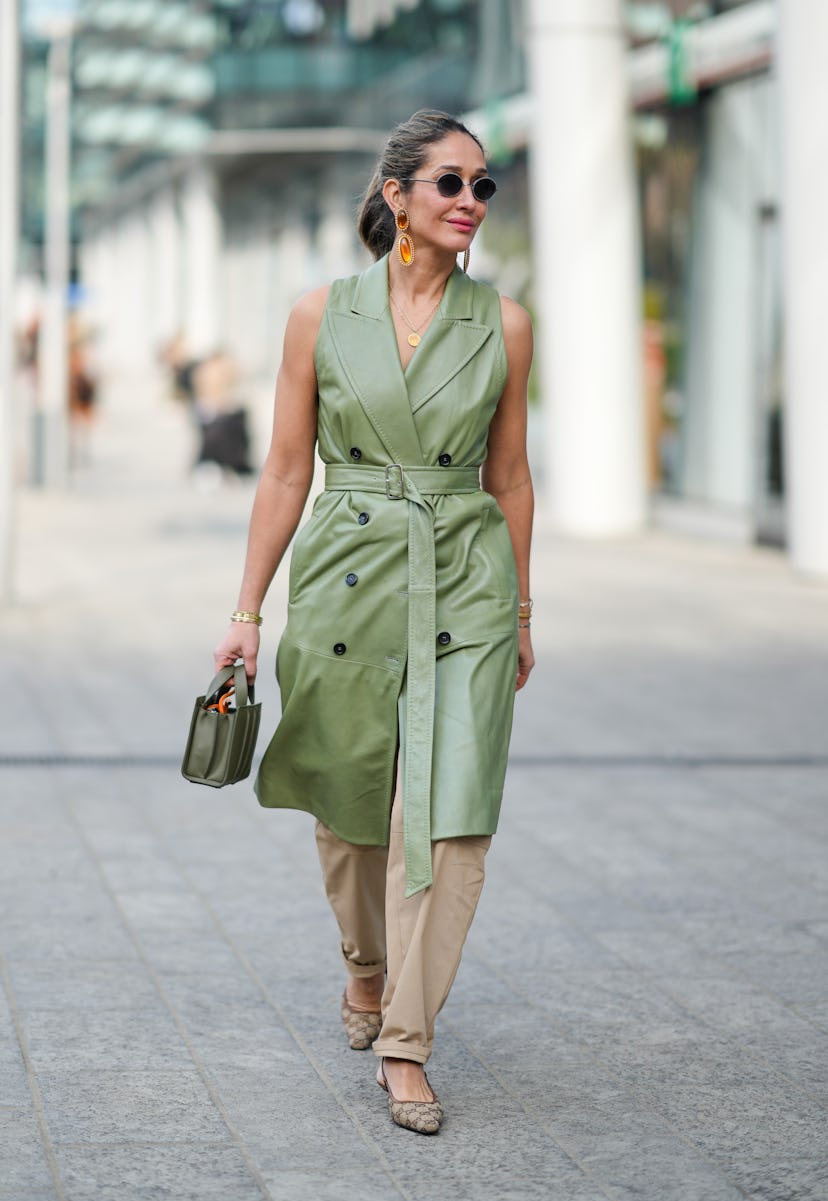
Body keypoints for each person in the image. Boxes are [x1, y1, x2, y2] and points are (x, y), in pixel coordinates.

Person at [213, 109, 534, 1134]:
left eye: (484, 187)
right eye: (451, 183)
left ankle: (406, 1040)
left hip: (466, 575)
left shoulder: (506, 322)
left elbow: (512, 474)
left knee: (445, 812)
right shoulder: (321, 314)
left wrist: (521, 605)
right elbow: (284, 466)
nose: (469, 204)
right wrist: (247, 611)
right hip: (349, 567)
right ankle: (363, 965)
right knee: (352, 810)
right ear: (396, 194)